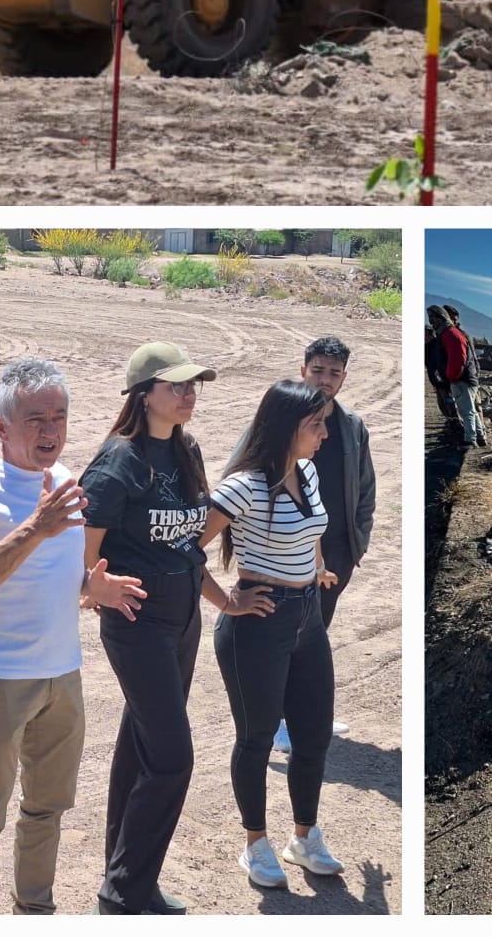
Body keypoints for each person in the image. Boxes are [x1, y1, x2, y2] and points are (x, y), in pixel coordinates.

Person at [0, 357, 145, 916]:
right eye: (35, 419)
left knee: (47, 810)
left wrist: (89, 586)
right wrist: (36, 526)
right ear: (1, 426)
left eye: (59, 416)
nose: (51, 431)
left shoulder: (68, 483)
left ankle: (35, 913)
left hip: (62, 675)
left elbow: (56, 573)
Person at [80, 342, 273, 916]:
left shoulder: (186, 449)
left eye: (194, 386)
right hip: (137, 618)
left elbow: (186, 545)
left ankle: (127, 879)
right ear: (144, 395)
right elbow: (82, 555)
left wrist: (225, 600)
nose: (190, 395)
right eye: (177, 386)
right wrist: (95, 591)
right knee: (172, 759)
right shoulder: (118, 462)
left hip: (183, 611)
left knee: (141, 750)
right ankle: (122, 897)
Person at [205, 381, 344, 889]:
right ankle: (255, 845)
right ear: (287, 428)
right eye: (316, 425)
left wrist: (315, 571)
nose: (325, 434)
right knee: (257, 739)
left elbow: (313, 531)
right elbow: (184, 549)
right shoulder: (243, 486)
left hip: (307, 618)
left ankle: (304, 838)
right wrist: (226, 601)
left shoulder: (306, 472)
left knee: (314, 735)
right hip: (257, 626)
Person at [228, 336, 376, 752]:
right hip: (281, 558)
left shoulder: (351, 428)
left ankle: (301, 714)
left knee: (311, 636)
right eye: (318, 370)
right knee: (277, 640)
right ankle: (273, 722)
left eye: (334, 373)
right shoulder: (275, 422)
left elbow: (365, 490)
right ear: (302, 370)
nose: (325, 380)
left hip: (334, 556)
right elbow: (236, 482)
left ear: (344, 378)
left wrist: (355, 544)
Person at [430, 307, 485, 447]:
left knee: (466, 411)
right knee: (471, 409)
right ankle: (479, 435)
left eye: (432, 318)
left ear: (441, 318)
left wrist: (451, 376)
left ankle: (470, 439)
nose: (431, 321)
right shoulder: (451, 333)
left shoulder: (450, 334)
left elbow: (458, 358)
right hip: (467, 377)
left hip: (461, 379)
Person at [424, 309, 459, 436]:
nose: (424, 337)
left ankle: (455, 425)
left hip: (443, 381)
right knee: (443, 404)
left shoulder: (436, 345)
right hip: (437, 382)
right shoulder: (427, 347)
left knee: (449, 403)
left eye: (426, 334)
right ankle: (452, 424)